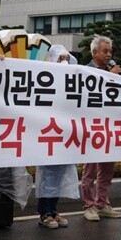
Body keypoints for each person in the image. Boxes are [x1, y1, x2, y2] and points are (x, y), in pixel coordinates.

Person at [35, 44, 81, 229]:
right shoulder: (43, 79)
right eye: (60, 58)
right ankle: (44, 213)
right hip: (49, 133)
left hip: (64, 135)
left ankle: (53, 210)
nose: (64, 62)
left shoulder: (71, 81)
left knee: (59, 175)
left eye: (66, 58)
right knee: (47, 175)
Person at [81, 35, 121, 221]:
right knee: (89, 169)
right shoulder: (85, 71)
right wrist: (110, 76)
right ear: (94, 52)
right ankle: (89, 206)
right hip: (91, 126)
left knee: (107, 169)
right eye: (105, 51)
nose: (108, 55)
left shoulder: (114, 71)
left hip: (110, 126)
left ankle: (102, 203)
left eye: (110, 52)